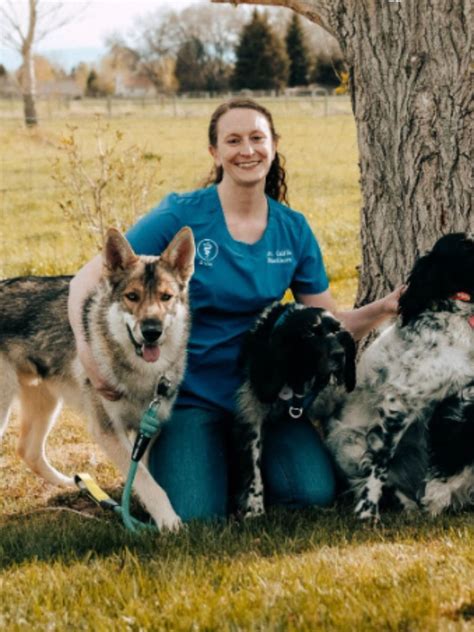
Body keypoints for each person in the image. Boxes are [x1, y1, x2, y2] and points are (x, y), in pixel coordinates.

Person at [68, 98, 400, 522]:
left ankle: (236, 458)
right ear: (215, 152)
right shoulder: (182, 213)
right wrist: (89, 357)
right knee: (196, 514)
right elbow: (85, 281)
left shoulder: (292, 228)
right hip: (190, 395)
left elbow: (327, 326)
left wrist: (384, 308)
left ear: (274, 146)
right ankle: (205, 457)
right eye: (234, 140)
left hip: (264, 395)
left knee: (312, 492)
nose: (247, 150)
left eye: (257, 138)